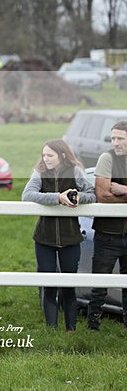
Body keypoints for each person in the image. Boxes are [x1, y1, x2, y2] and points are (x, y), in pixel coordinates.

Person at [22, 139, 94, 332]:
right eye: (44, 155)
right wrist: (57, 198)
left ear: (62, 155)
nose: (45, 159)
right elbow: (27, 194)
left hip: (71, 238)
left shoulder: (76, 171)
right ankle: (51, 330)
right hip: (44, 238)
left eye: (50, 155)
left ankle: (71, 330)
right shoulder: (39, 171)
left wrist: (78, 197)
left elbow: (92, 194)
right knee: (49, 284)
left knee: (69, 284)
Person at [88, 120, 127, 331]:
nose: (115, 142)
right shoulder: (107, 158)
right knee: (99, 285)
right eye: (113, 138)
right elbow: (102, 195)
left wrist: (124, 190)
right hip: (107, 234)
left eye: (120, 138)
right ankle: (93, 328)